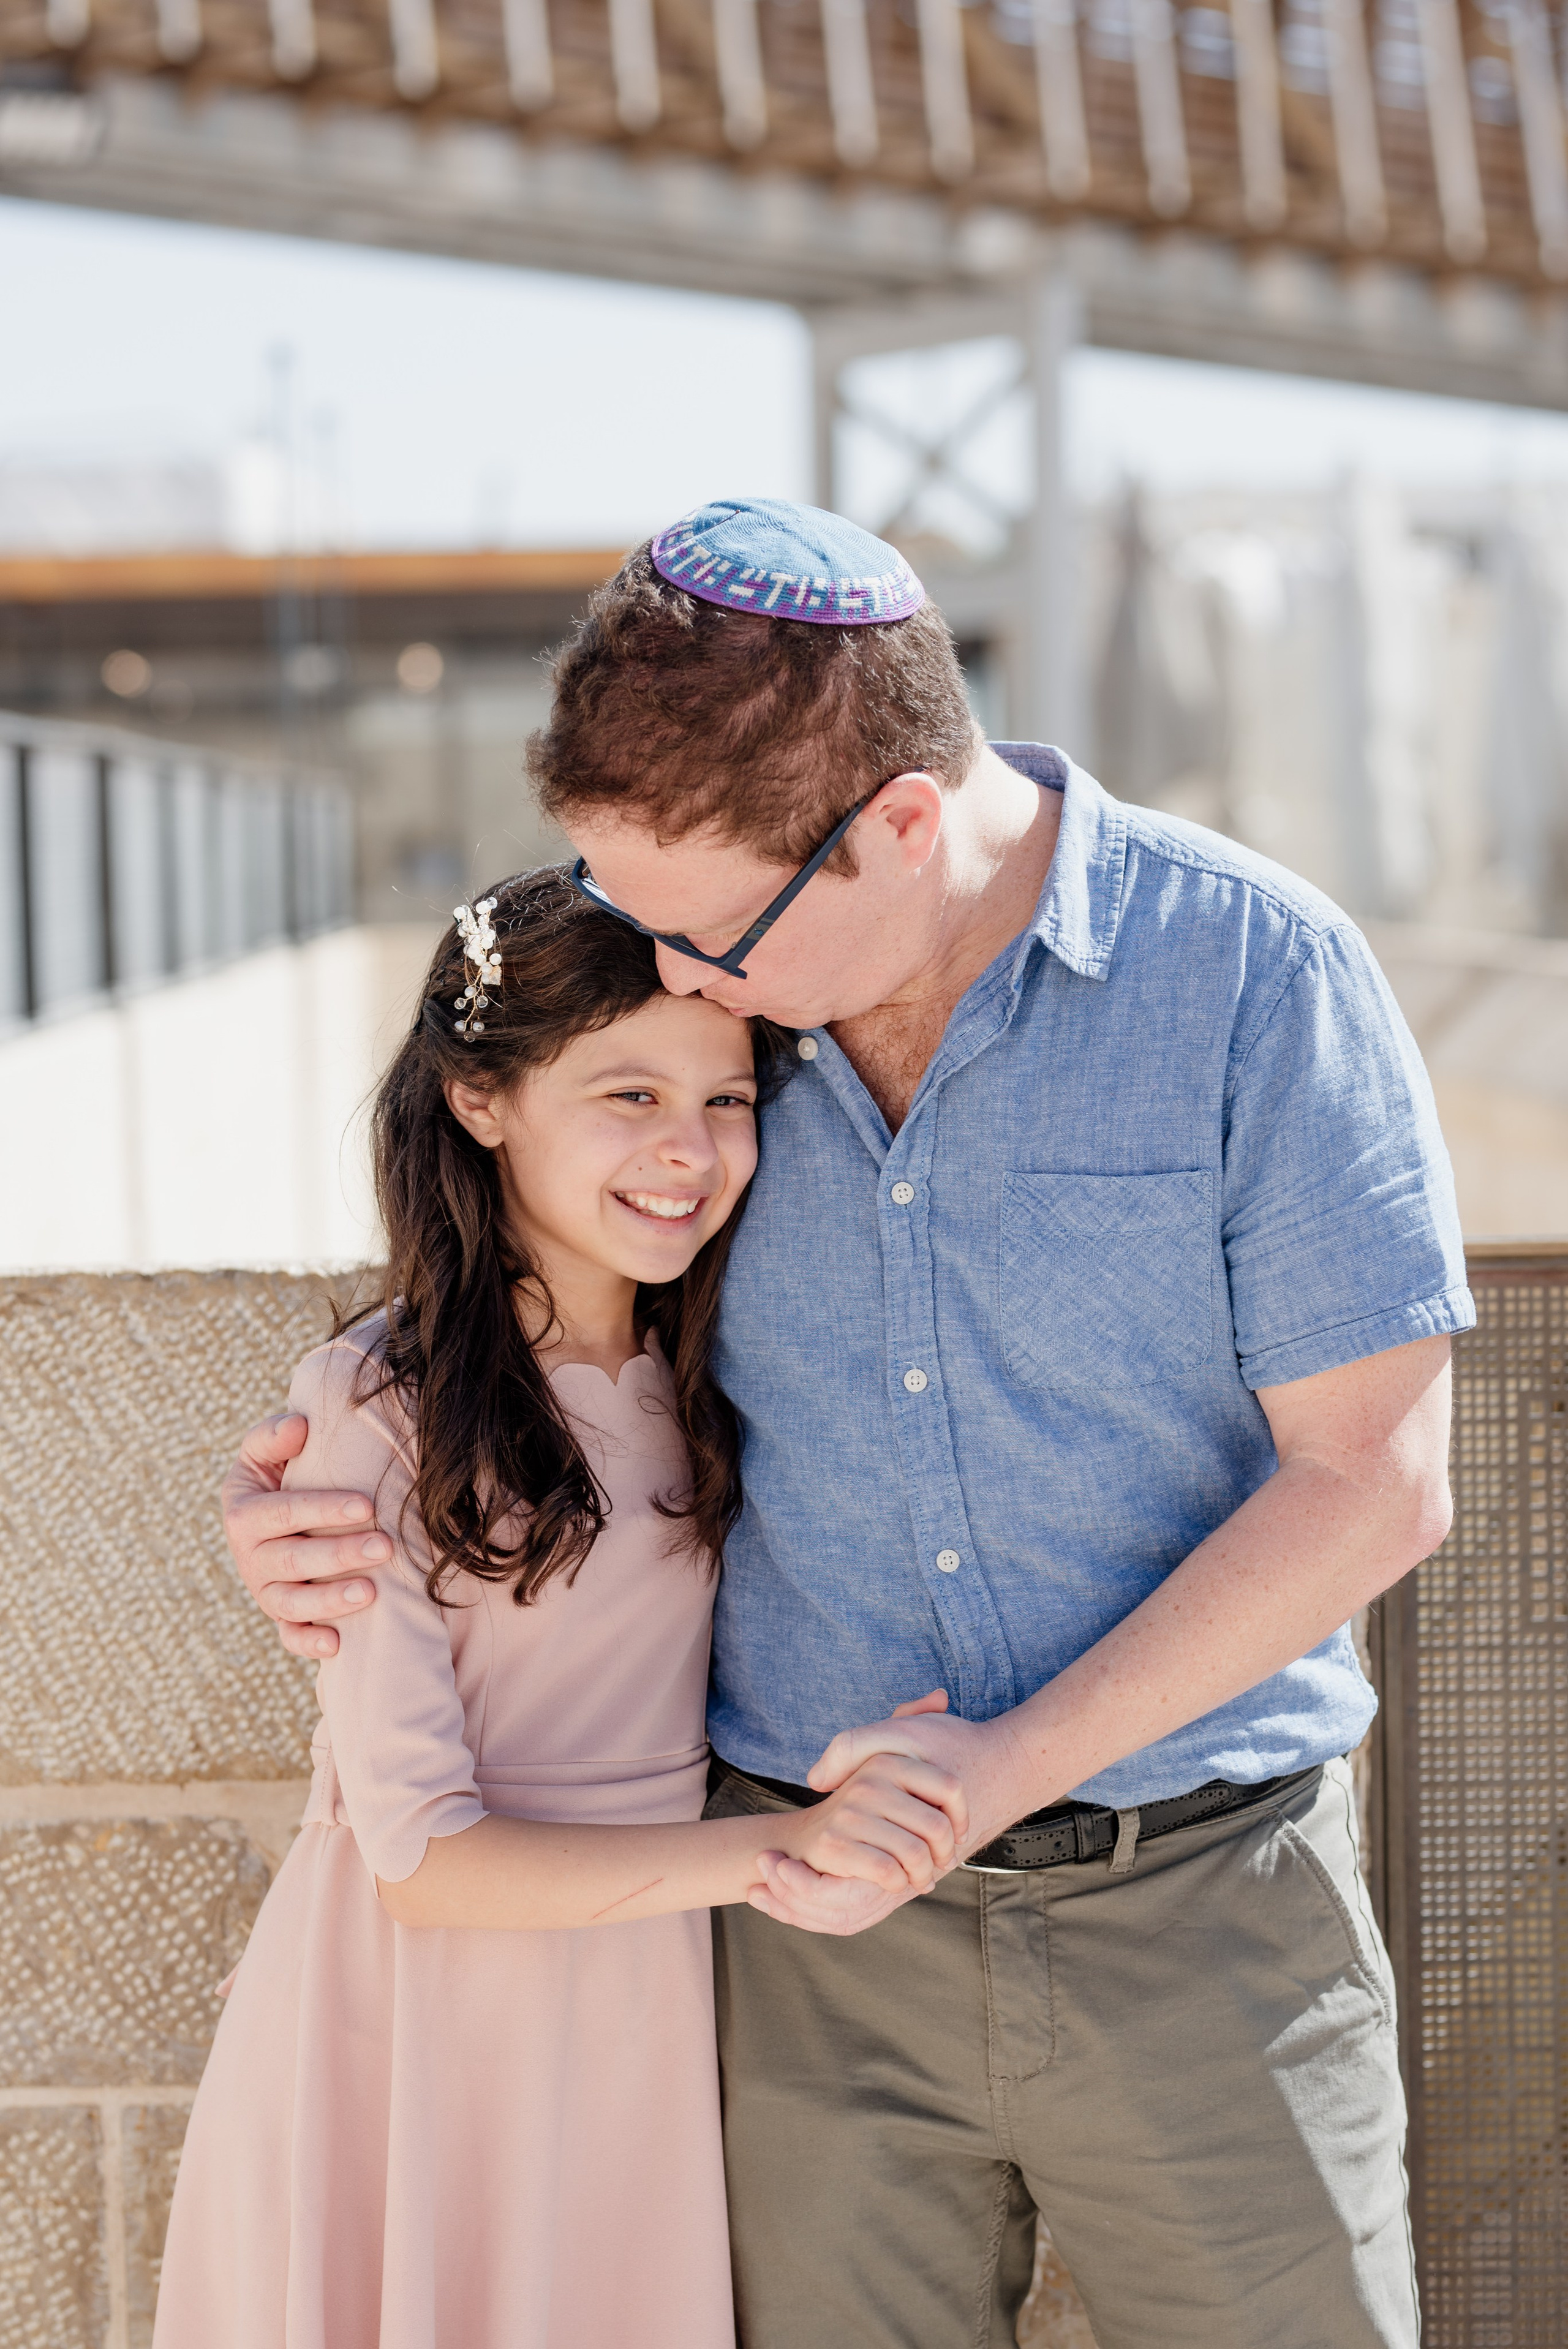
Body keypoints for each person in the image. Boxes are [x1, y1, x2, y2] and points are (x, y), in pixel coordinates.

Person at [224, 500, 1468, 2348]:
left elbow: (1370, 1483)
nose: (681, 978)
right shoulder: (722, 1032)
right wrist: (316, 1505)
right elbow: (517, 1336)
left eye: (708, 931)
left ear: (899, 825)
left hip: (1208, 1915)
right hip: (797, 1959)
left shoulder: (1259, 979)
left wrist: (996, 1768)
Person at [155, 868, 965, 2349]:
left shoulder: (720, 1373)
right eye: (628, 1093)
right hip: (426, 2013)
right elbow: (421, 1860)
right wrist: (786, 1845)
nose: (689, 1149)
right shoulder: (381, 1408)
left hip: (643, 1995)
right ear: (480, 1098)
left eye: (727, 1102)